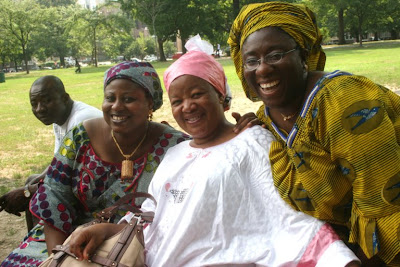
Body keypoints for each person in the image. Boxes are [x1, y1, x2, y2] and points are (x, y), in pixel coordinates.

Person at [68, 36, 360, 267]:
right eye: (178, 100)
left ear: (220, 96)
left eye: (197, 94)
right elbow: (154, 218)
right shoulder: (175, 154)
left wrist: (335, 258)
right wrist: (107, 230)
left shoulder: (252, 144)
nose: (188, 106)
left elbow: (288, 219)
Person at [228, 2, 400, 265]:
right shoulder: (266, 120)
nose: (262, 69)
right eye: (252, 60)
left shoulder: (342, 98)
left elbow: (384, 201)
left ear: (304, 54)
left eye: (275, 55)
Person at [0, 62, 189, 267]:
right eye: (110, 98)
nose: (116, 106)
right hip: (67, 240)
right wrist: (58, 258)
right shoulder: (81, 136)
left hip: (135, 246)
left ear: (150, 103)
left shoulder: (175, 146)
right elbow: (54, 196)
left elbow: (178, 213)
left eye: (129, 99)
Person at [0, 75, 102, 226]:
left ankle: (45, 243)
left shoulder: (81, 120)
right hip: (82, 179)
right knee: (32, 180)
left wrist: (27, 192)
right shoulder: (59, 118)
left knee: (42, 194)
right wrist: (28, 186)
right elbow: (58, 163)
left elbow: (76, 176)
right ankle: (34, 240)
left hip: (100, 185)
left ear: (65, 98)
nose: (39, 109)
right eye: (34, 104)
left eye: (47, 101)